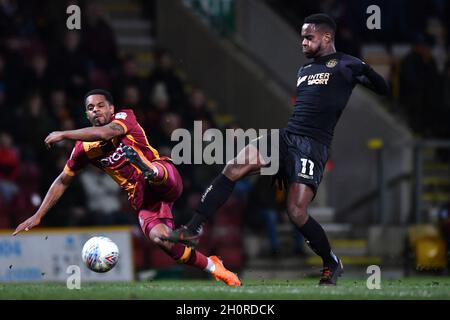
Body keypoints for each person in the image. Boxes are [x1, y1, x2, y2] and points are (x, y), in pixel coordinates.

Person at [161, 13, 389, 285]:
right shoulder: (303, 71)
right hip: (287, 137)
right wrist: (280, 163)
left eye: (309, 37)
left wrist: (367, 70)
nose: (302, 42)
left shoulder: (346, 64)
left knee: (296, 212)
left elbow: (383, 89)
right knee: (234, 166)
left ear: (327, 37)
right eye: (302, 37)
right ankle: (192, 227)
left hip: (312, 146)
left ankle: (331, 261)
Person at [12, 89, 241, 286]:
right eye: (90, 108)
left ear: (112, 109)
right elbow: (63, 180)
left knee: (155, 174)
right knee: (163, 242)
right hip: (142, 198)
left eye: (101, 106)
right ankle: (214, 267)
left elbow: (107, 132)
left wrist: (64, 133)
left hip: (164, 174)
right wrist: (38, 215)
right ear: (86, 114)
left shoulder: (125, 116)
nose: (96, 110)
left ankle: (148, 170)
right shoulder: (83, 149)